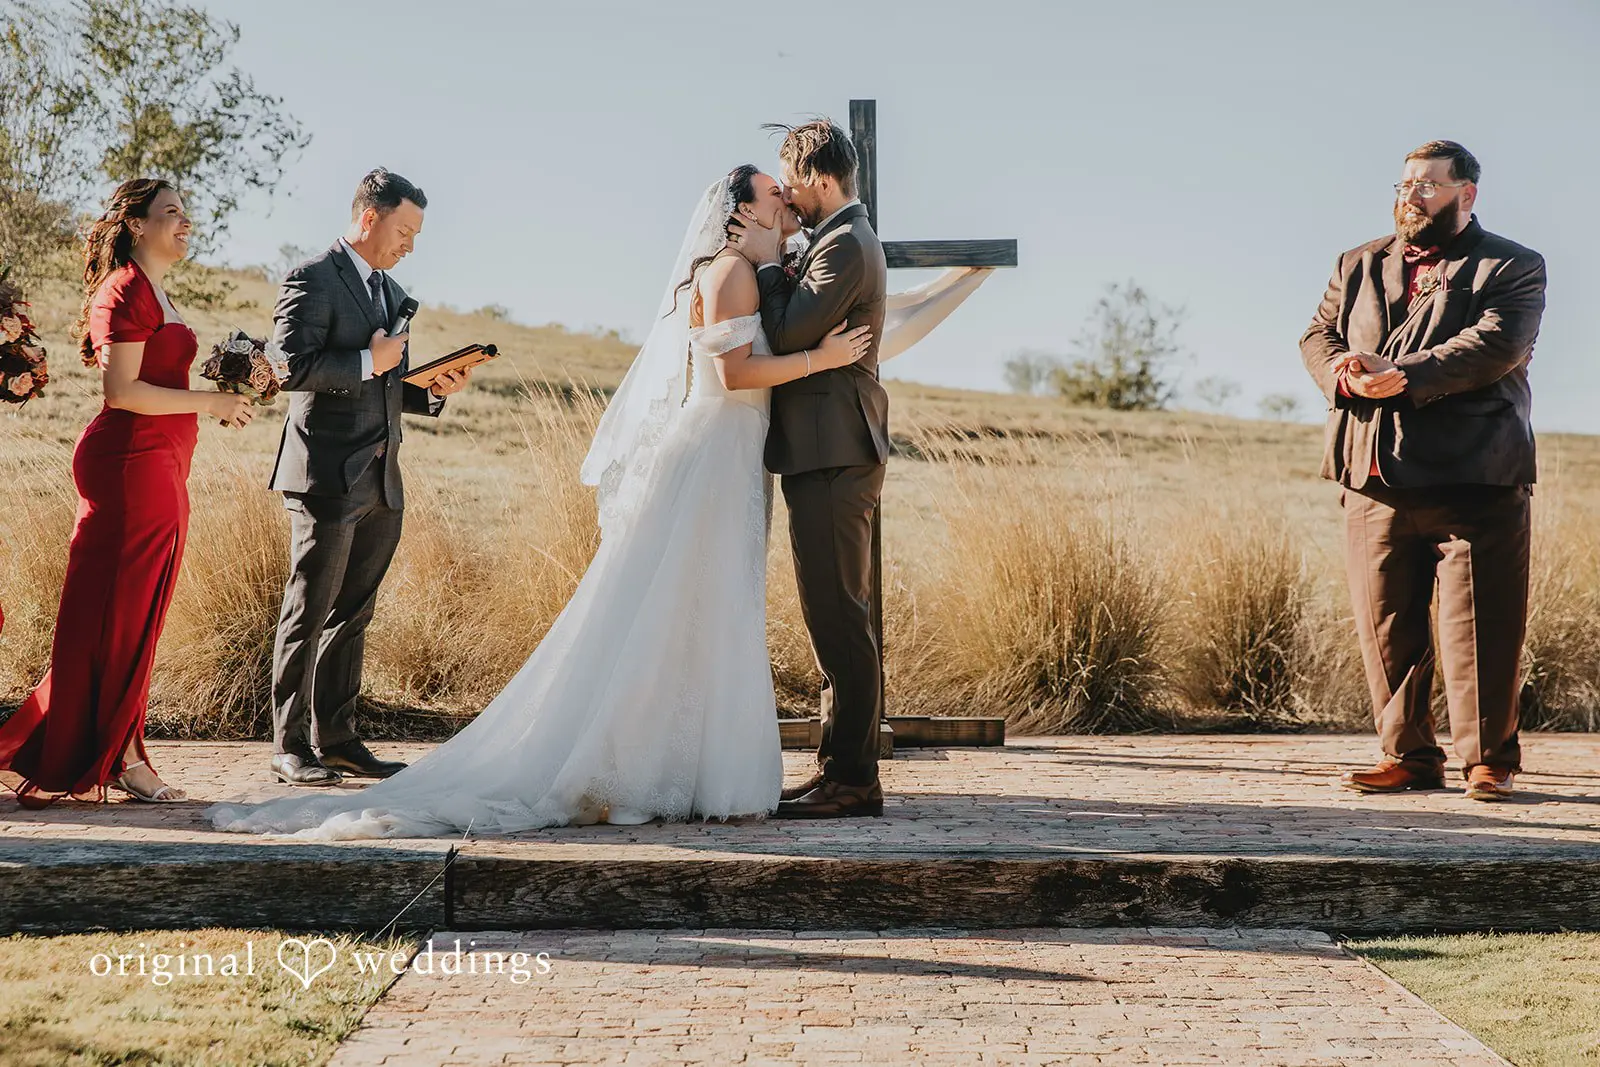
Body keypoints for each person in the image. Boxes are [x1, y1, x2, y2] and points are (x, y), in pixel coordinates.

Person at [1299, 140, 1546, 802]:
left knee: (1480, 632)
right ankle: (1407, 756)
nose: (1412, 195)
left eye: (1430, 185)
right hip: (1372, 473)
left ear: (1467, 195)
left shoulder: (1513, 265)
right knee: (1386, 627)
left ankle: (1488, 761)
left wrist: (1400, 376)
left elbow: (1494, 345)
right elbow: (1317, 335)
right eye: (1407, 183)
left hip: (1475, 479)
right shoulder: (1357, 261)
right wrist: (1345, 375)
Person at [0, 178, 255, 807]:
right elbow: (123, 392)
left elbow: (158, 377)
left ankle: (106, 749)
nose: (185, 221)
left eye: (185, 213)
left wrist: (234, 378)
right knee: (117, 619)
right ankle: (123, 757)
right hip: (129, 465)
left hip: (163, 465)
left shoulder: (156, 291)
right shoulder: (122, 290)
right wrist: (212, 400)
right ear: (136, 225)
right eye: (171, 213)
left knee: (133, 617)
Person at [264, 168, 471, 788]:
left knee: (352, 615)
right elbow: (287, 366)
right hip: (325, 473)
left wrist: (429, 391)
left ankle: (343, 740)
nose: (410, 244)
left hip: (383, 478)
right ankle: (290, 746)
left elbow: (384, 387)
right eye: (404, 229)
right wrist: (366, 359)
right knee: (309, 609)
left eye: (415, 234)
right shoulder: (311, 279)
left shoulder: (390, 290)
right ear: (367, 218)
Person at [727, 120, 890, 819]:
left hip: (835, 451)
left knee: (840, 619)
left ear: (821, 179)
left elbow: (791, 330)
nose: (788, 193)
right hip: (826, 449)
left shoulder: (848, 244)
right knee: (833, 616)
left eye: (792, 179)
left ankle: (853, 778)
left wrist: (766, 262)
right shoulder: (832, 240)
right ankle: (840, 769)